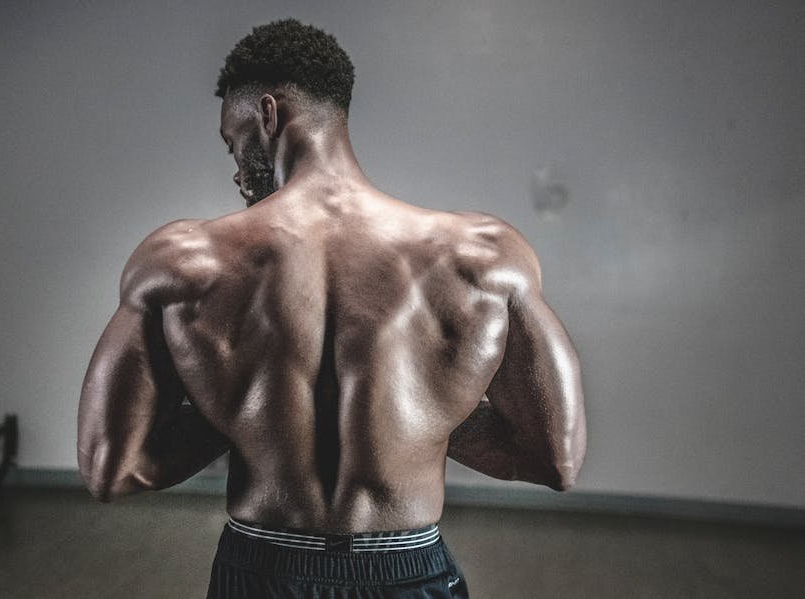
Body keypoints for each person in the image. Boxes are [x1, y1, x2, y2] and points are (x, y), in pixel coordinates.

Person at [77, 18, 586, 598]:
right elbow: (558, 459)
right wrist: (432, 410)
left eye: (233, 141)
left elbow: (110, 469)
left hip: (261, 568)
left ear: (268, 114)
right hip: (407, 570)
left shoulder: (180, 259)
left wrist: (243, 404)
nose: (237, 170)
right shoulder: (485, 255)